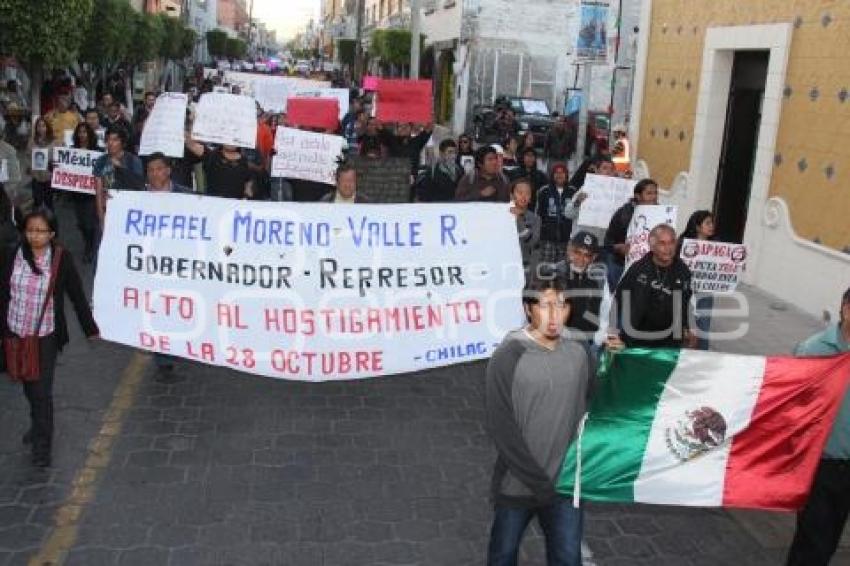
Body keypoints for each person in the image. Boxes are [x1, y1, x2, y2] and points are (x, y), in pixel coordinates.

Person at [485, 277, 593, 566]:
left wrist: (619, 362)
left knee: (568, 559)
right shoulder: (508, 356)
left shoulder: (581, 348)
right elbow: (501, 429)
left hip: (566, 486)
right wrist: (540, 484)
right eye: (546, 305)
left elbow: (595, 401)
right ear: (528, 308)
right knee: (502, 556)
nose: (555, 314)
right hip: (519, 484)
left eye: (561, 304)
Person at [0, 209, 99, 467]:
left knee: (41, 391)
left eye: (41, 231)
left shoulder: (60, 259)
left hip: (45, 336)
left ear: (52, 234)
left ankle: (42, 447)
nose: (34, 236)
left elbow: (76, 295)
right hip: (14, 332)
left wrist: (90, 329)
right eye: (30, 230)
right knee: (27, 385)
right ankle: (36, 424)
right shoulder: (12, 254)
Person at [786, 287, 850, 566]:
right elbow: (789, 406)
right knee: (814, 546)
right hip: (822, 467)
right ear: (846, 309)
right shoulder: (813, 351)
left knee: (831, 539)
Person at [612, 224, 694, 348]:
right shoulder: (638, 269)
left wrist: (688, 328)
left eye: (672, 242)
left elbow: (688, 303)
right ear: (652, 246)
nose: (668, 248)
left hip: (669, 343)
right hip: (636, 339)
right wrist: (614, 331)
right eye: (662, 243)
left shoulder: (684, 272)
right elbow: (618, 299)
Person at [549, 232, 611, 349]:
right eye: (577, 252)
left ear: (593, 258)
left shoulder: (599, 278)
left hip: (587, 342)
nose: (581, 259)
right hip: (558, 341)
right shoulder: (554, 273)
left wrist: (600, 336)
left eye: (587, 255)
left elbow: (605, 308)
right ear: (569, 250)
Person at [603, 178, 659, 289]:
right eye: (649, 193)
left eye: (655, 193)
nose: (654, 196)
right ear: (638, 196)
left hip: (649, 269)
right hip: (620, 264)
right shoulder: (623, 213)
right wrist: (618, 247)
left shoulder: (662, 214)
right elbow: (608, 241)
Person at [677, 210, 716, 350]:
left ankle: (703, 355)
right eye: (708, 223)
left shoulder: (716, 247)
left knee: (704, 327)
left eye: (712, 223)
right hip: (686, 291)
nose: (712, 226)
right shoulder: (682, 244)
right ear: (698, 226)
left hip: (705, 291)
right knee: (682, 325)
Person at [535, 163, 582, 266]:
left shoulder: (573, 191)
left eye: (562, 172)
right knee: (546, 267)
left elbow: (576, 212)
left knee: (562, 268)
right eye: (556, 172)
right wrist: (540, 231)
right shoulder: (544, 190)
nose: (559, 175)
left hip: (566, 236)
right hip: (547, 236)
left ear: (566, 175)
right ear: (552, 175)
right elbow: (538, 213)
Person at [70, 123, 100, 263]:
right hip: (77, 194)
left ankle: (90, 247)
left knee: (89, 223)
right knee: (81, 223)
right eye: (80, 132)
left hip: (91, 193)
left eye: (85, 132)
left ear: (90, 134)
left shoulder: (97, 151)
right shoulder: (71, 151)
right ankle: (90, 243)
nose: (82, 135)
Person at [185, 139, 253, 200]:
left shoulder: (245, 161)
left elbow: (248, 181)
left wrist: (247, 191)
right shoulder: (212, 155)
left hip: (234, 208)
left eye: (234, 138)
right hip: (214, 206)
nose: (230, 141)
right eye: (228, 137)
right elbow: (190, 144)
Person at [510, 179, 540, 283]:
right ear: (512, 196)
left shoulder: (535, 219)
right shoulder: (502, 215)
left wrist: (518, 220)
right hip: (504, 264)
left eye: (527, 193)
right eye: (520, 192)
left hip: (524, 267)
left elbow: (532, 242)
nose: (523, 196)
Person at [28, 117, 55, 210]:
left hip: (49, 177)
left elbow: (57, 158)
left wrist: (52, 163)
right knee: (37, 203)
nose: (41, 128)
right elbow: (28, 156)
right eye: (38, 126)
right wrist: (29, 168)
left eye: (43, 126)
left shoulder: (54, 141)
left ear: (47, 127)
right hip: (36, 177)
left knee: (49, 203)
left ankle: (50, 223)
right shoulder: (32, 141)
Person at [511, 147, 548, 212]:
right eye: (527, 155)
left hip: (534, 207)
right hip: (516, 205)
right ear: (523, 157)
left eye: (532, 156)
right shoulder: (514, 173)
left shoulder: (540, 175)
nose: (530, 158)